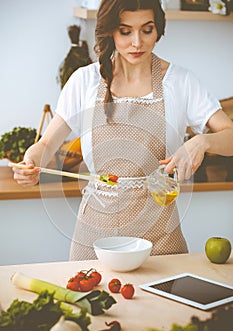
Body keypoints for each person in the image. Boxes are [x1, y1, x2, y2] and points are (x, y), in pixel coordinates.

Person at [12, 0, 233, 260]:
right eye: (125, 31)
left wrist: (202, 142)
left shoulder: (180, 81)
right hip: (95, 235)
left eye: (147, 30)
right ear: (110, 32)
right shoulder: (85, 80)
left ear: (158, 29)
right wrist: (33, 159)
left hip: (161, 235)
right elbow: (47, 144)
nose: (137, 42)